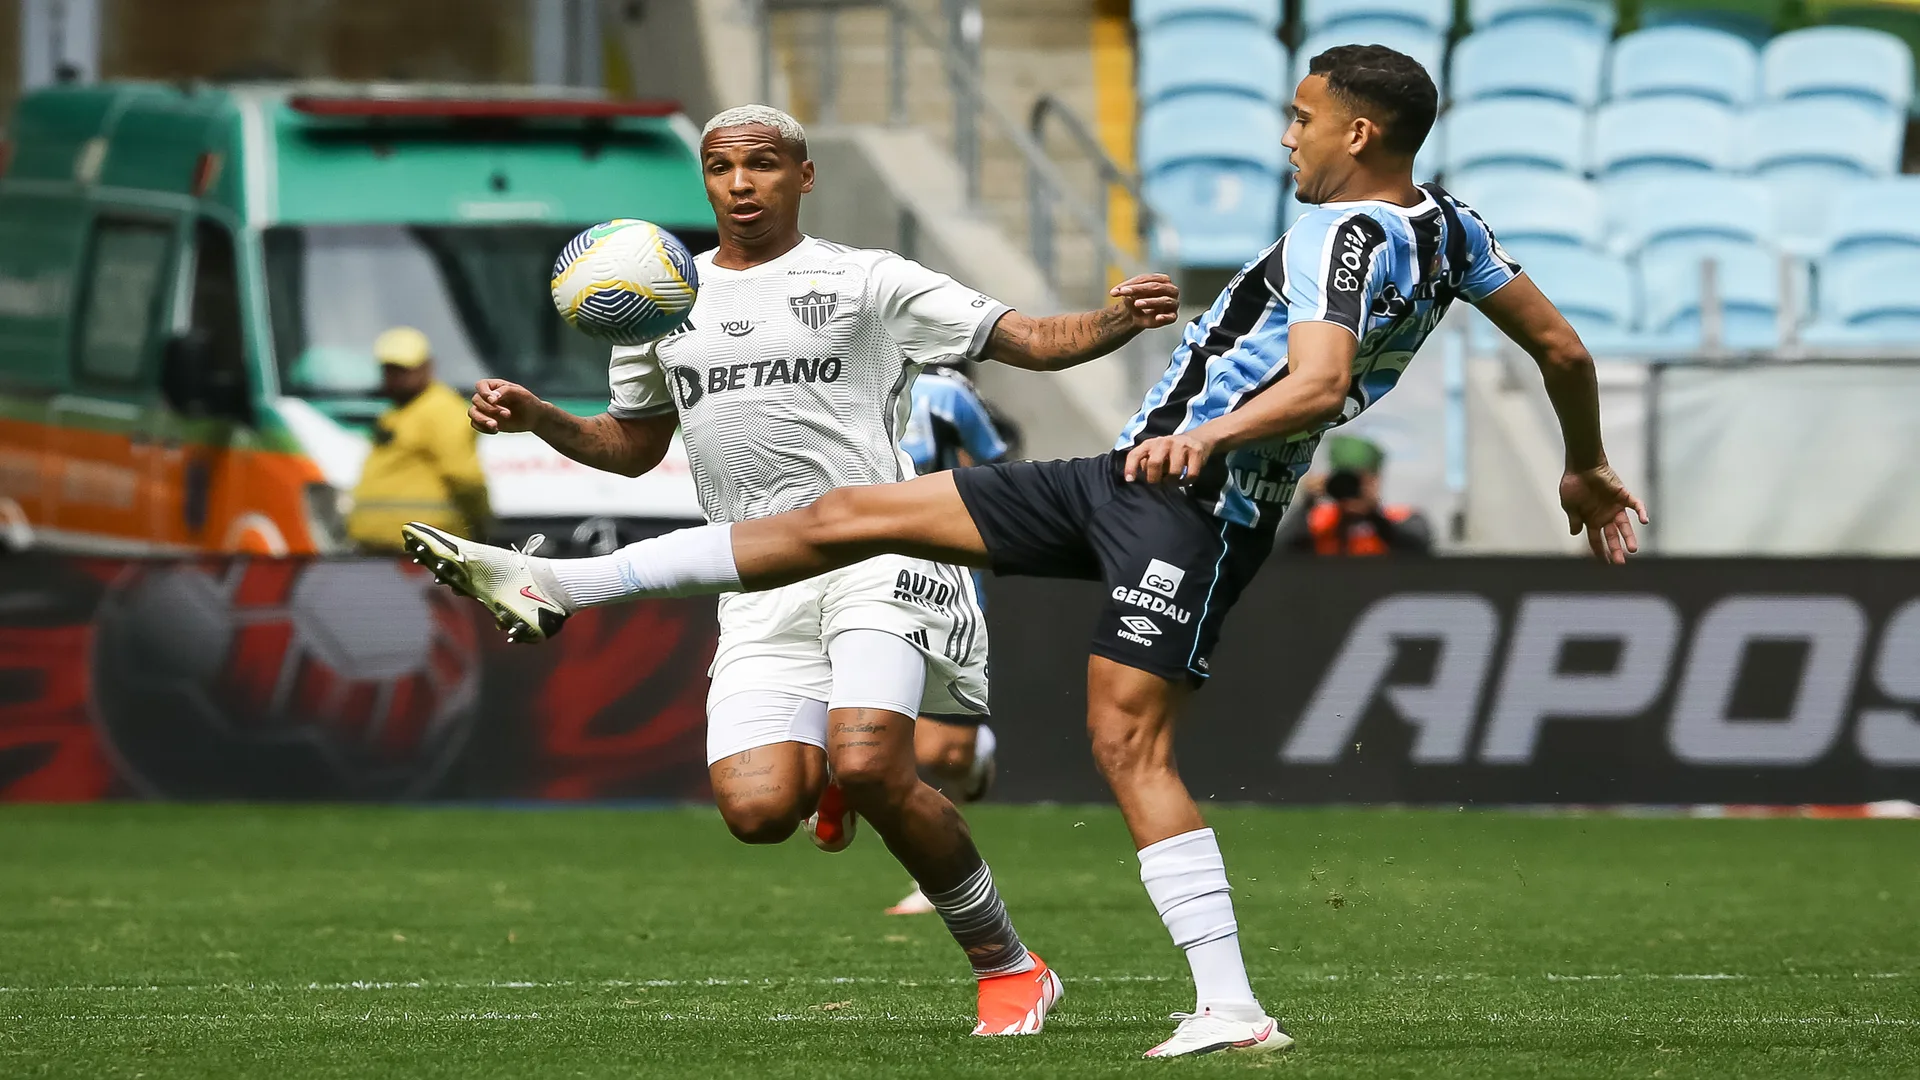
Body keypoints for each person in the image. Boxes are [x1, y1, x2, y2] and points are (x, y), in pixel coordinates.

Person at [406, 48, 1648, 1057]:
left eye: (1302, 117)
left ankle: (1228, 1005)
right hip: (1120, 480)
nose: (1288, 137)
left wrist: (1209, 430)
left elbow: (1319, 386)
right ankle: (555, 583)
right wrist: (1583, 461)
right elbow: (1565, 352)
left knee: (1126, 741)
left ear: (1358, 136)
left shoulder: (1343, 238)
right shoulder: (1458, 224)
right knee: (852, 512)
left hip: (1194, 498)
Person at [405, 105, 1180, 1037]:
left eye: (763, 165)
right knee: (758, 808)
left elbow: (1030, 340)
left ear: (803, 176)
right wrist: (543, 419)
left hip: (880, 554)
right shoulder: (653, 296)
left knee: (872, 762)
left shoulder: (865, 279)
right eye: (722, 167)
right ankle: (830, 784)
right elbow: (632, 447)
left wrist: (1113, 318)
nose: (741, 184)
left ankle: (1009, 966)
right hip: (757, 578)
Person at [887, 364, 1012, 918]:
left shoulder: (943, 392)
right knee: (874, 741)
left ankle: (971, 756)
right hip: (851, 573)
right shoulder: (826, 372)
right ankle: (936, 879)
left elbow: (998, 464)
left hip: (942, 580)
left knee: (941, 752)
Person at [346, 326, 490, 552]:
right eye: (389, 369)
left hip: (424, 549)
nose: (395, 377)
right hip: (388, 549)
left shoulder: (441, 410)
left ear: (427, 367)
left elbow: (465, 477)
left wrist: (482, 526)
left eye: (404, 369)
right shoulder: (397, 412)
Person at [1276, 434, 1433, 555]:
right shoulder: (1319, 521)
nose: (1353, 487)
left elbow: (1419, 550)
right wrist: (1307, 503)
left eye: (1362, 479)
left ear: (1376, 479)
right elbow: (1281, 552)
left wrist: (1373, 514)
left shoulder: (1402, 518)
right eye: (1347, 480)